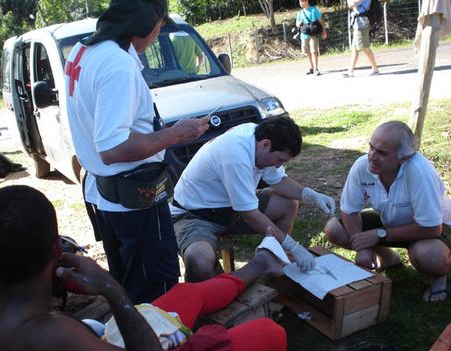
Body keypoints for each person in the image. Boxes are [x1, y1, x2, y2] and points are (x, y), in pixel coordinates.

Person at [0, 185, 287, 351]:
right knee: (270, 333)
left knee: (185, 295)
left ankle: (257, 266)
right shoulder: (52, 336)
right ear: (57, 249)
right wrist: (110, 289)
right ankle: (259, 266)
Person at [64, 0, 210, 304]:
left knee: (128, 282)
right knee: (156, 287)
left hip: (107, 196)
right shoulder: (117, 64)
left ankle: (136, 341)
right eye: (159, 26)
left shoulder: (83, 50)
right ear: (144, 25)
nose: (158, 34)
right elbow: (113, 148)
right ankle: (160, 347)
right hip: (134, 200)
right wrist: (174, 134)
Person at [171, 115, 336, 282]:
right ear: (265, 145)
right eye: (280, 160)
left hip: (230, 208)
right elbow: (249, 214)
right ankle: (208, 297)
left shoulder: (259, 139)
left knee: (287, 203)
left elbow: (278, 181)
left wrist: (309, 194)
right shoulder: (235, 152)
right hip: (195, 215)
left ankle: (273, 258)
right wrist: (293, 246)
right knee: (199, 262)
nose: (278, 166)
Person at [324, 121, 450, 302]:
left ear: (403, 158)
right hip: (391, 222)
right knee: (334, 228)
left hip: (432, 229)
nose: (372, 156)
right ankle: (388, 258)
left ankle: (438, 279)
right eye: (371, 147)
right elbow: (349, 211)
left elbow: (432, 228)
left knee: (430, 256)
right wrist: (362, 247)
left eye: (382, 153)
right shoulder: (362, 166)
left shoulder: (419, 172)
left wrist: (379, 234)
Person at [343, 0, 379, 77]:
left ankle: (375, 69)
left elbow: (351, 3)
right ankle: (350, 71)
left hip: (362, 24)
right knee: (355, 49)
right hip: (357, 23)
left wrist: (351, 3)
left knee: (365, 48)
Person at [295, 0, 328, 76]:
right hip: (304, 35)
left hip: (313, 34)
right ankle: (312, 68)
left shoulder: (314, 10)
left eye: (302, 1)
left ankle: (316, 68)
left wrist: (324, 31)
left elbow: (320, 21)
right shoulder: (299, 13)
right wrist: (299, 24)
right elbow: (297, 24)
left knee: (314, 51)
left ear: (307, 1)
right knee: (307, 52)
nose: (301, 3)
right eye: (300, 1)